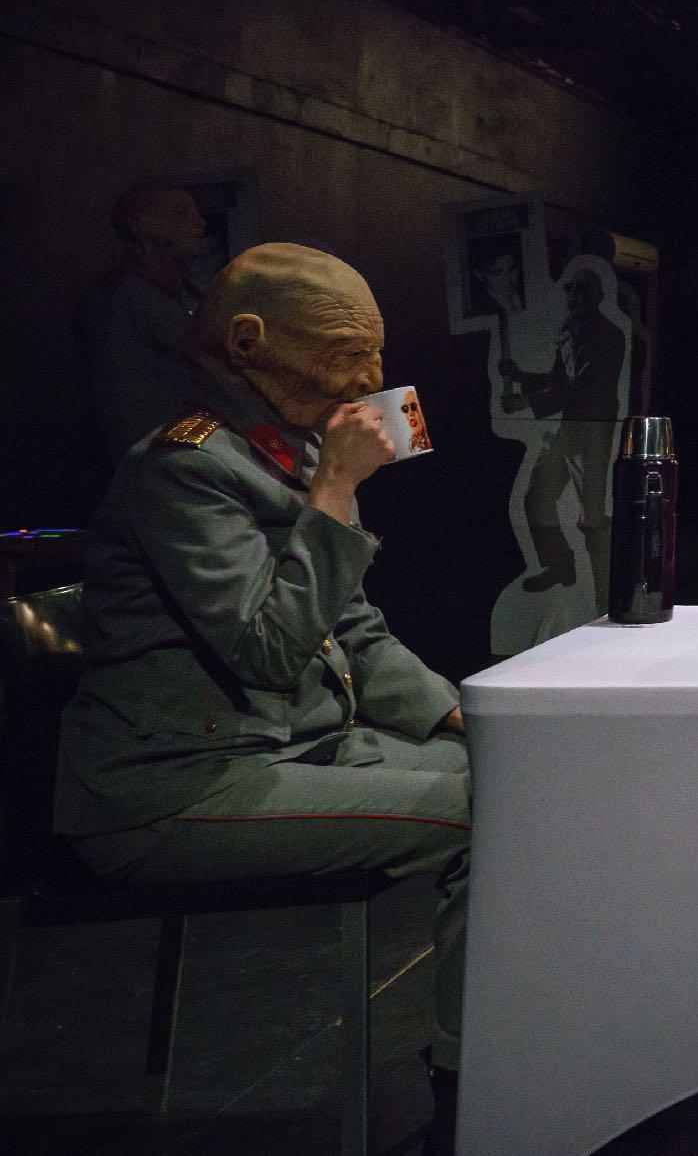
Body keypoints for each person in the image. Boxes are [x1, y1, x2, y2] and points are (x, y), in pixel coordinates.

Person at [56, 242, 472, 1153]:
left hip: (291, 747)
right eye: (344, 355)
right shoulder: (180, 470)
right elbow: (267, 648)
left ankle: (493, 1050)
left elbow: (354, 629)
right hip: (176, 786)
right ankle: (469, 1083)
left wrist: (467, 721)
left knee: (509, 778)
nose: (369, 381)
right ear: (249, 342)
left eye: (374, 354)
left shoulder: (285, 452)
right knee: (494, 815)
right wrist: (336, 488)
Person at [498, 260, 629, 594]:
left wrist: (526, 401)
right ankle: (559, 565)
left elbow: (583, 387)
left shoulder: (609, 336)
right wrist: (521, 377)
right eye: (571, 288)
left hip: (594, 429)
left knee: (592, 517)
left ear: (598, 296)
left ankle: (606, 592)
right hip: (569, 425)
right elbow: (561, 378)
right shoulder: (568, 328)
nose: (575, 295)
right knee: (537, 496)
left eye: (583, 289)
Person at [75, 182, 216, 462]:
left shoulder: (186, 290)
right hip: (161, 460)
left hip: (194, 450)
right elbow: (119, 404)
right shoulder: (119, 300)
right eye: (180, 214)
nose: (199, 222)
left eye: (197, 213)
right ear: (139, 225)